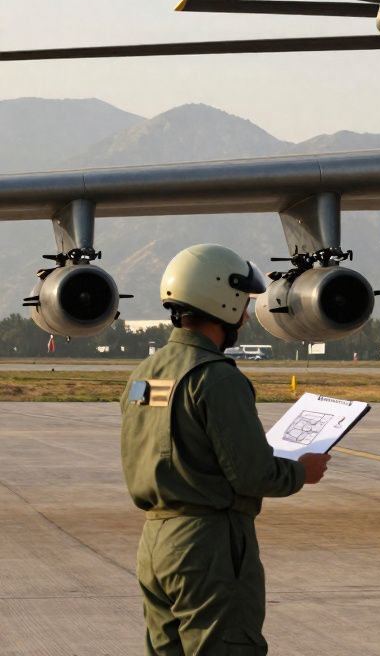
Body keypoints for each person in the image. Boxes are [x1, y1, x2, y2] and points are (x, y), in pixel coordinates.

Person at [120, 244, 332, 653]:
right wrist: (300, 472)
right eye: (244, 302)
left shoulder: (143, 376)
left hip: (155, 543)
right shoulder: (216, 378)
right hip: (207, 545)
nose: (247, 314)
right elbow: (253, 473)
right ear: (222, 298)